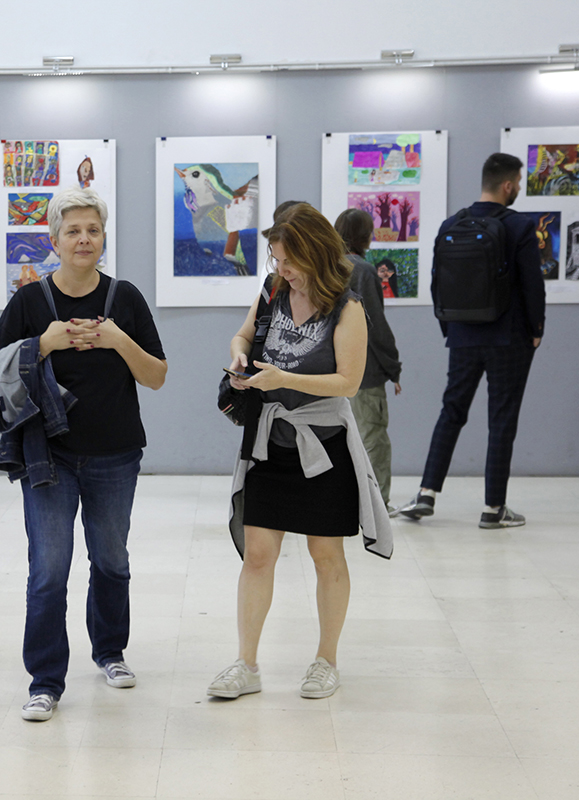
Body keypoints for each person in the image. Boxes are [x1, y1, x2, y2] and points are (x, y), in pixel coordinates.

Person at [0, 187, 167, 722]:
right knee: (48, 570)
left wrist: (117, 340)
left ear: (103, 238)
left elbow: (157, 376)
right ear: (54, 240)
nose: (84, 239)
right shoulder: (29, 302)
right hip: (49, 457)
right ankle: (45, 681)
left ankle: (110, 651)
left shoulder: (125, 298)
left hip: (116, 454)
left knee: (111, 561)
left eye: (93, 230)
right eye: (73, 231)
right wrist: (45, 343)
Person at [209, 202, 391, 703]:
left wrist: (283, 378)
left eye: (289, 260)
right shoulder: (273, 291)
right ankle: (246, 664)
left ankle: (326, 661)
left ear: (315, 253)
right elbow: (244, 334)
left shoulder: (347, 308)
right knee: (257, 555)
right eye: (276, 259)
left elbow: (348, 382)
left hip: (324, 447)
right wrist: (240, 356)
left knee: (325, 555)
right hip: (269, 444)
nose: (281, 269)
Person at [392, 153, 545, 528]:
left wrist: (451, 330)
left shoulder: (451, 224)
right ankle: (493, 509)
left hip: (462, 336)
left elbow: (437, 284)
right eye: (518, 183)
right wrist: (536, 330)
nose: (519, 188)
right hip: (509, 337)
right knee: (501, 418)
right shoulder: (520, 226)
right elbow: (532, 285)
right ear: (507, 185)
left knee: (451, 411)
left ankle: (426, 493)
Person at [334, 207, 403, 507]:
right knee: (373, 438)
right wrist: (393, 367)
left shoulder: (327, 267)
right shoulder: (362, 271)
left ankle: (346, 501)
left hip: (330, 370)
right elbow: (375, 327)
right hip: (364, 372)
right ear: (365, 236)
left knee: (339, 439)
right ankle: (376, 506)